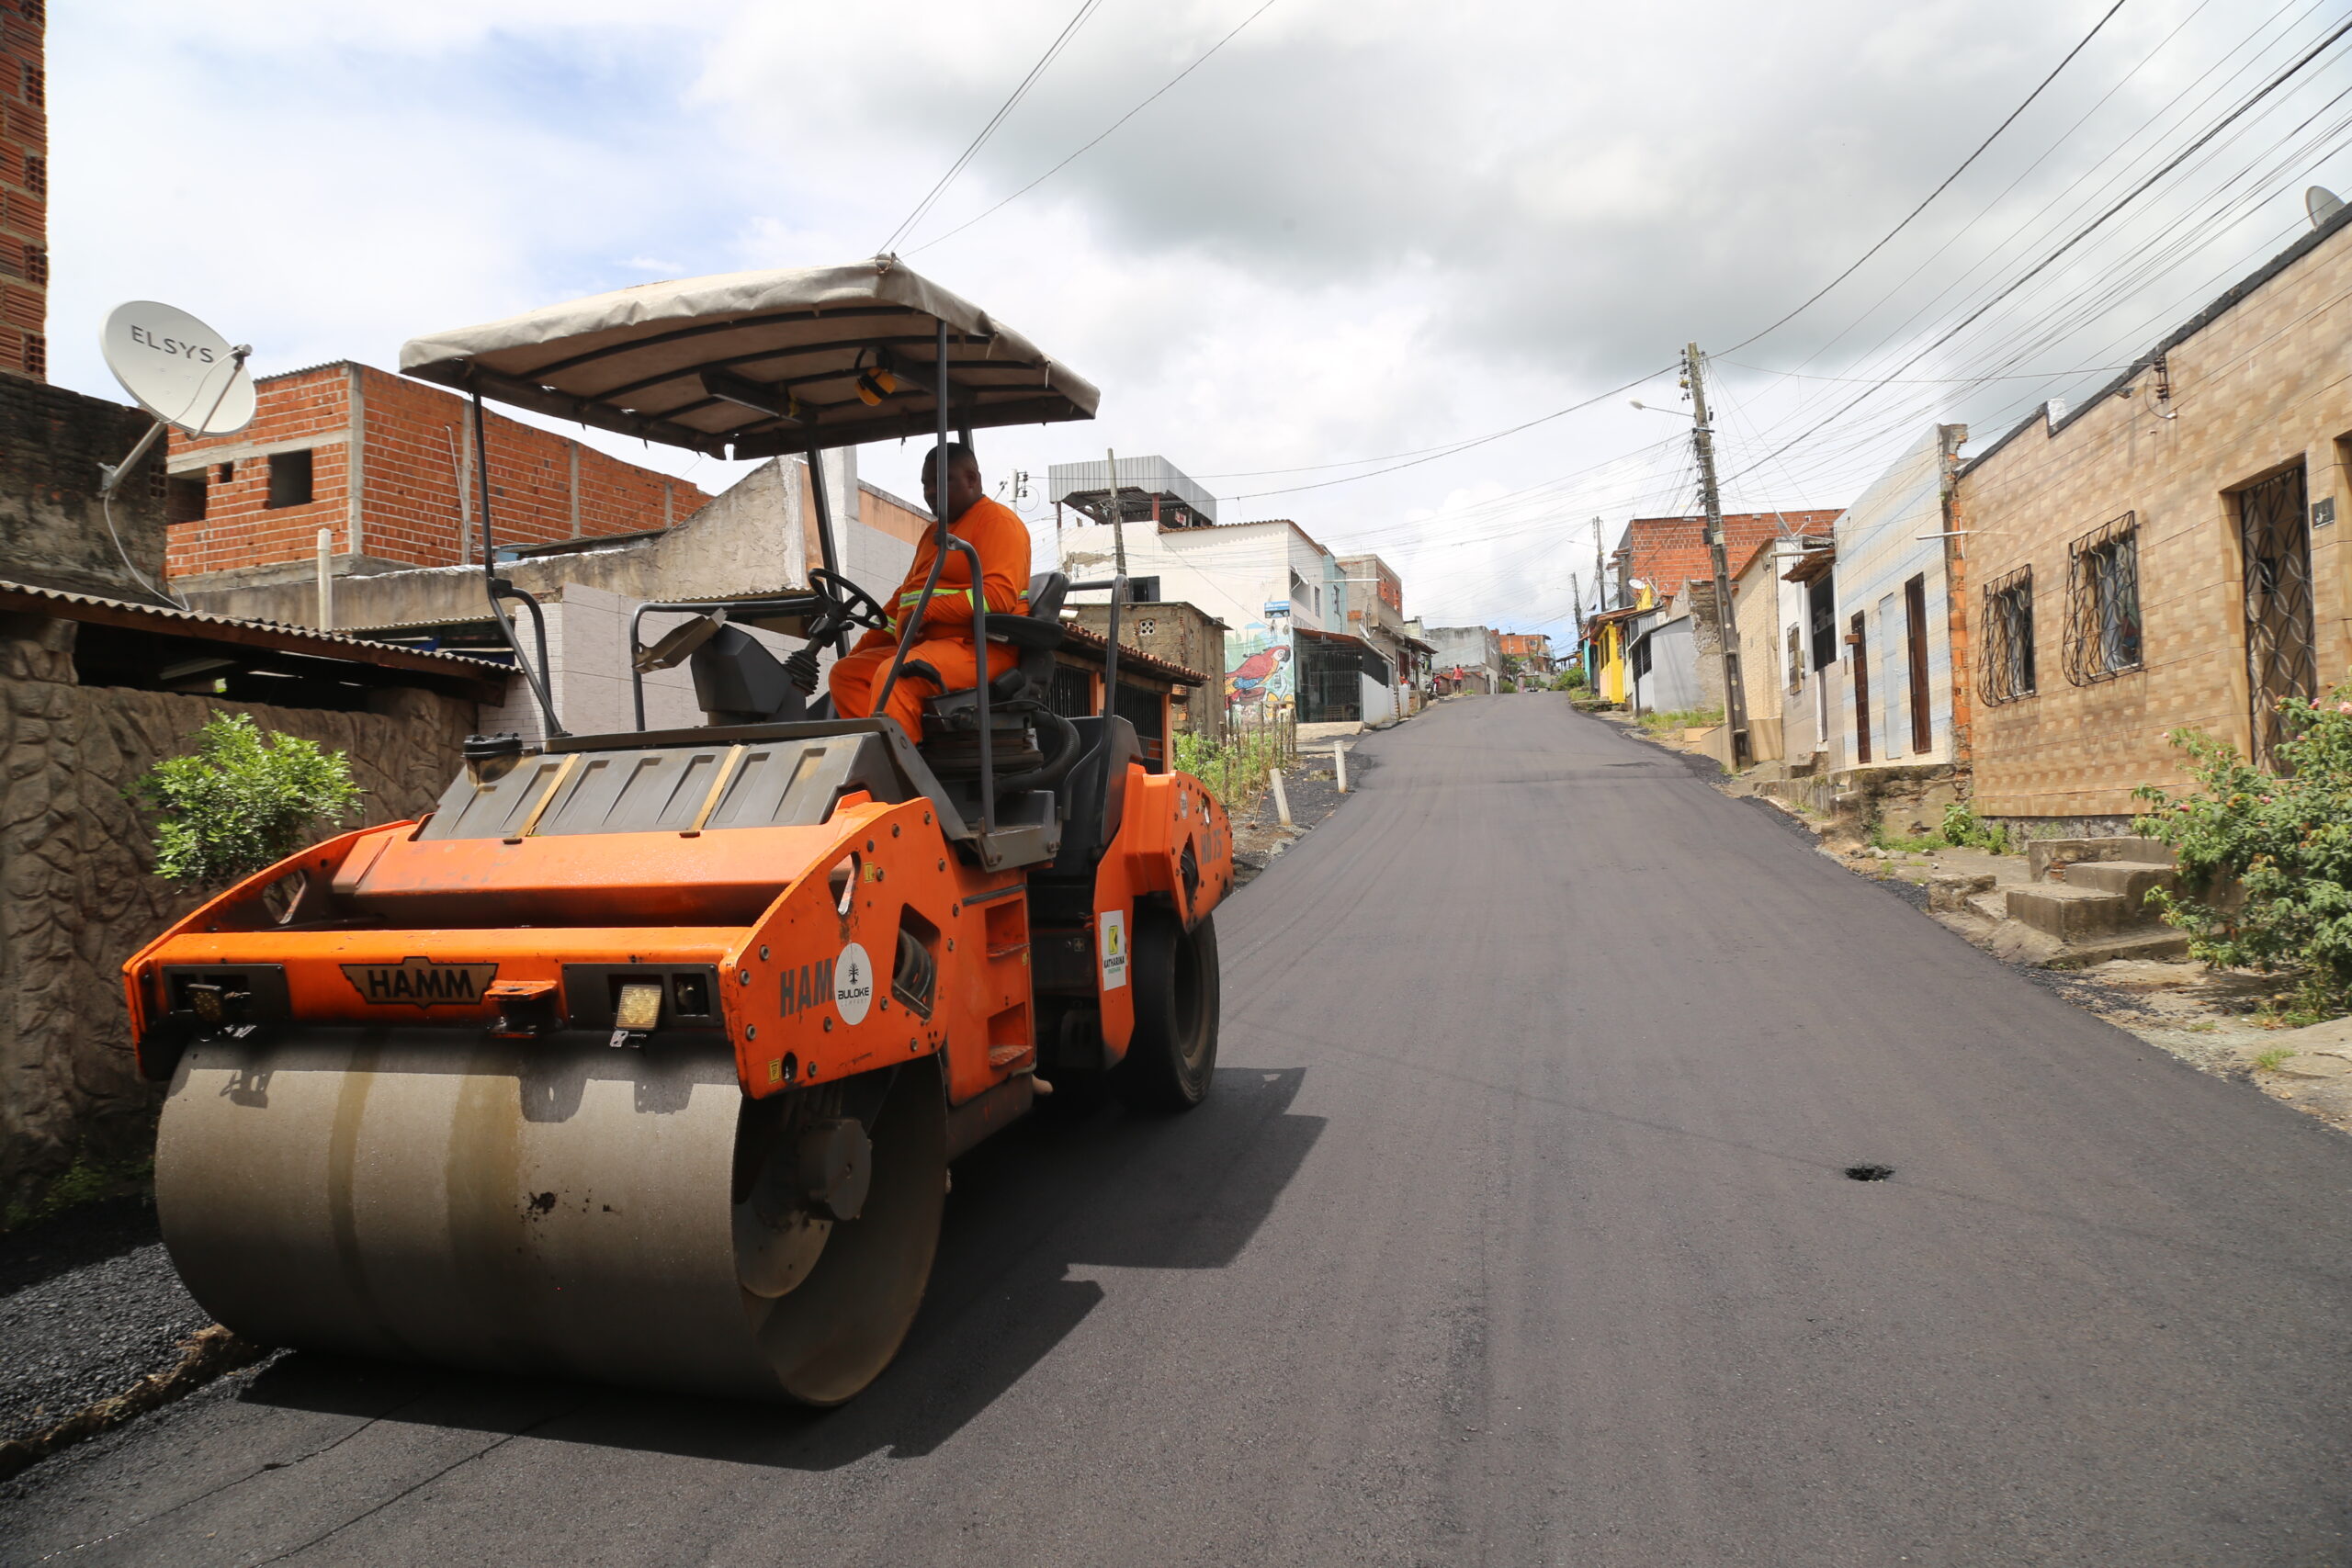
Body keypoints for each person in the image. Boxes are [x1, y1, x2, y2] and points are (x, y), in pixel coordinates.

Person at [820, 443, 1031, 738]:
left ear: (972, 479)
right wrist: (860, 652)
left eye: (942, 481)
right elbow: (903, 602)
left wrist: (926, 612)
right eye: (926, 484)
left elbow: (997, 597)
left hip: (982, 649)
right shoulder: (933, 534)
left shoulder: (998, 522)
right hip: (930, 647)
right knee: (846, 674)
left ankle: (901, 775)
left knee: (895, 673)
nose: (930, 491)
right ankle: (875, 759)